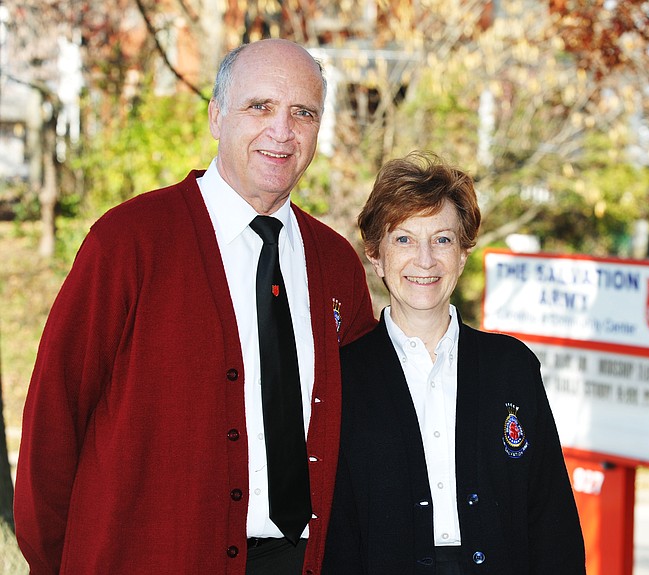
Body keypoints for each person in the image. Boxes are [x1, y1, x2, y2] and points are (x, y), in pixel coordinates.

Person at [14, 39, 376, 575]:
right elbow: (54, 420)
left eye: (303, 113)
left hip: (300, 560)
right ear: (216, 117)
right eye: (260, 107)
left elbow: (362, 430)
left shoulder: (336, 263)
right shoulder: (128, 243)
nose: (282, 131)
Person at [323, 151, 586, 574]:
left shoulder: (511, 368)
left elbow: (550, 515)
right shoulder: (344, 376)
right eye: (403, 239)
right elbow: (336, 531)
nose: (424, 260)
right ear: (375, 256)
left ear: (463, 254)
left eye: (442, 239)